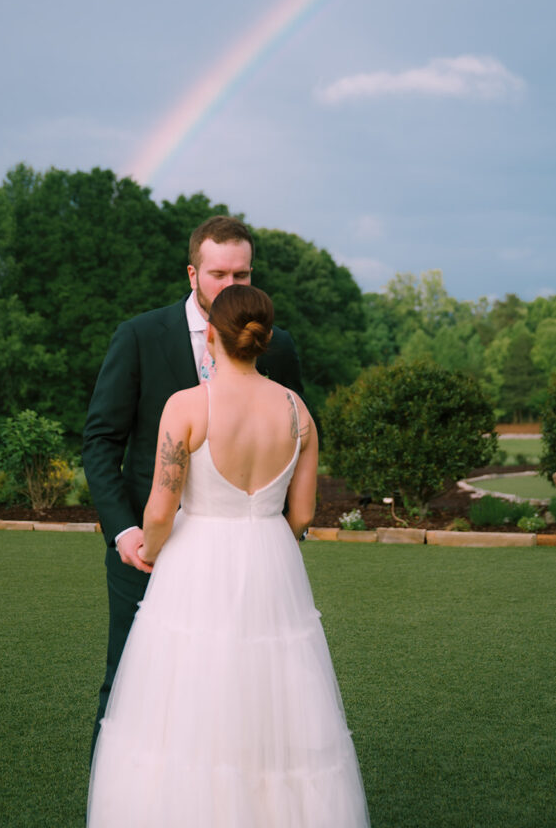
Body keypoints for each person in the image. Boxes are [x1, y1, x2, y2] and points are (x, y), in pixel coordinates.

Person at [87, 285, 370, 827]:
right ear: (262, 341)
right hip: (270, 557)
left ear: (212, 334)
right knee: (273, 695)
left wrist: (149, 546)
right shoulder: (297, 410)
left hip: (197, 560)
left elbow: (161, 510)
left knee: (188, 691)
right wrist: (262, 536)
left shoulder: (188, 406)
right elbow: (305, 514)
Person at [82, 216, 304, 757]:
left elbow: (292, 444)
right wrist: (126, 532)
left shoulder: (278, 346)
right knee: (129, 684)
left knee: (246, 691)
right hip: (146, 553)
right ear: (192, 273)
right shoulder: (138, 335)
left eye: (243, 275)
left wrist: (265, 541)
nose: (232, 287)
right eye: (219, 274)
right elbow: (101, 441)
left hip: (244, 564)